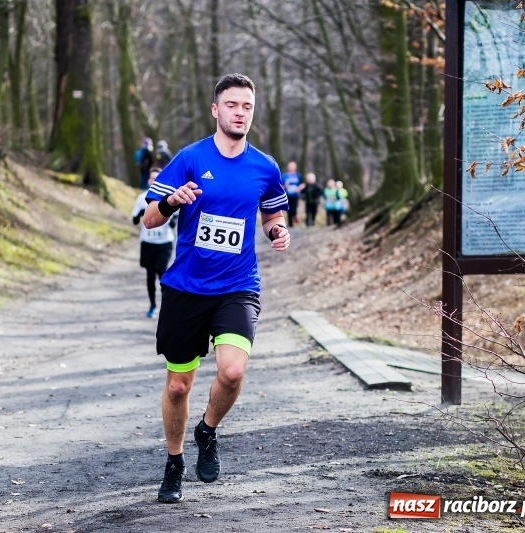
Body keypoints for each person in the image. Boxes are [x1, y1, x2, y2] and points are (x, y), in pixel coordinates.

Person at [142, 73, 290, 504]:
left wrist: (279, 232)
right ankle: (174, 463)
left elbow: (272, 216)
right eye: (231, 105)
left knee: (231, 371)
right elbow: (150, 218)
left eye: (246, 106)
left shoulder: (265, 167)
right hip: (187, 286)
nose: (239, 112)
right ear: (216, 110)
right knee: (177, 386)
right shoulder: (189, 158)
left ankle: (207, 430)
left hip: (237, 286)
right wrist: (172, 201)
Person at [131, 168, 176, 318]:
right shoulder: (141, 198)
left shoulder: (170, 197)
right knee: (150, 274)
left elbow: (175, 221)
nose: (154, 180)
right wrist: (140, 214)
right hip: (148, 242)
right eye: (152, 178)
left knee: (161, 272)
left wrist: (170, 219)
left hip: (164, 242)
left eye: (157, 178)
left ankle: (165, 306)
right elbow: (134, 220)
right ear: (148, 181)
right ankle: (152, 305)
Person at [280, 161, 303, 227]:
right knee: (288, 209)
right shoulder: (284, 176)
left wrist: (299, 188)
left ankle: (295, 215)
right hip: (287, 195)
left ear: (295, 167)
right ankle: (291, 224)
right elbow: (280, 185)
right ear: (288, 167)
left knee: (294, 209)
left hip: (295, 195)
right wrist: (284, 186)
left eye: (293, 166)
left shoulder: (298, 175)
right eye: (290, 166)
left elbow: (303, 184)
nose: (291, 167)